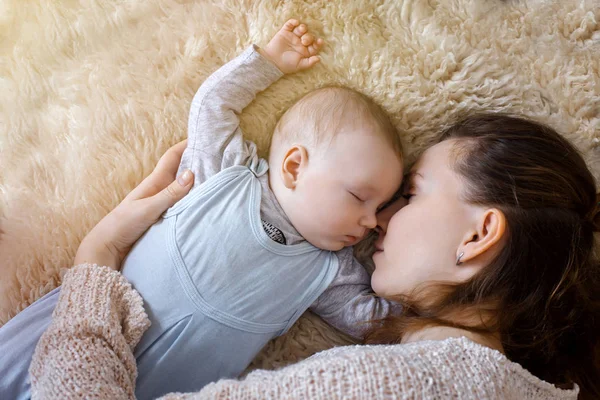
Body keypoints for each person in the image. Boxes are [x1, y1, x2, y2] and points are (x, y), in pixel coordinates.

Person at [29, 114, 600, 399]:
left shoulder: (394, 385)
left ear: (477, 237)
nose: (380, 220)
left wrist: (96, 261)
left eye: (414, 193)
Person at [1, 19, 405, 399]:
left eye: (381, 207)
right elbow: (213, 104)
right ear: (295, 166)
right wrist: (267, 63)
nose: (371, 221)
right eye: (358, 197)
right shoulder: (227, 172)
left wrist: (433, 279)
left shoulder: (331, 272)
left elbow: (376, 322)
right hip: (78, 327)